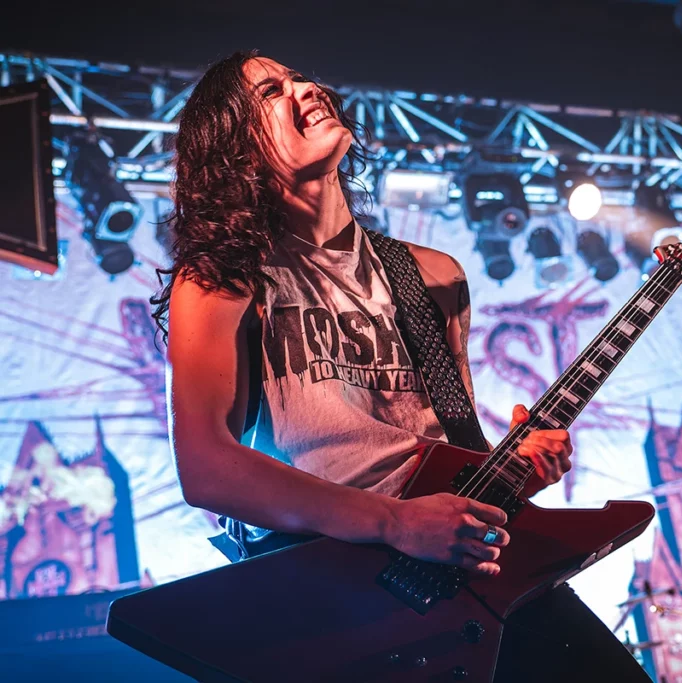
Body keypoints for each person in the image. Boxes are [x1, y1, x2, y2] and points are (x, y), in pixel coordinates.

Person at [152, 50, 649, 681]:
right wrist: (394, 522)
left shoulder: (433, 276)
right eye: (272, 91)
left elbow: (449, 444)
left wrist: (516, 469)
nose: (305, 88)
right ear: (235, 146)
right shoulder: (220, 280)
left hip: (472, 569)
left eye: (301, 77)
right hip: (339, 591)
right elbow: (206, 468)